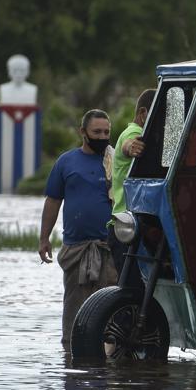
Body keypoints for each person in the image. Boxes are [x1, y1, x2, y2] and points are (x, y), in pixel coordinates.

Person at [39, 109, 117, 345]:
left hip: (110, 248)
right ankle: (71, 357)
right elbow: (53, 201)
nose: (102, 137)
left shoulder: (117, 162)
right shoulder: (66, 161)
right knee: (74, 310)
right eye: (96, 132)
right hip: (76, 250)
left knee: (110, 311)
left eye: (106, 132)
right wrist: (44, 239)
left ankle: (109, 364)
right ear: (83, 132)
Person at [108, 89, 153, 290]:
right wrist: (132, 147)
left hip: (132, 225)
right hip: (128, 228)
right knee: (133, 292)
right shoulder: (134, 133)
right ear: (143, 114)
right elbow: (129, 144)